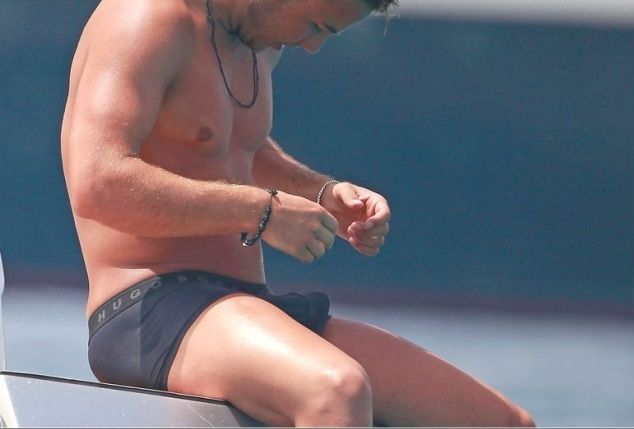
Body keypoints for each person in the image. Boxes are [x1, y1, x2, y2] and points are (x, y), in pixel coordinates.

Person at [61, 0, 535, 426]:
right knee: (336, 391)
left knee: (503, 422)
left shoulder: (259, 43)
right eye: (316, 25)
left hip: (249, 306)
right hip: (150, 309)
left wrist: (323, 192)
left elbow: (228, 143)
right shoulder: (147, 16)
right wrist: (262, 210)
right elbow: (98, 182)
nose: (311, 46)